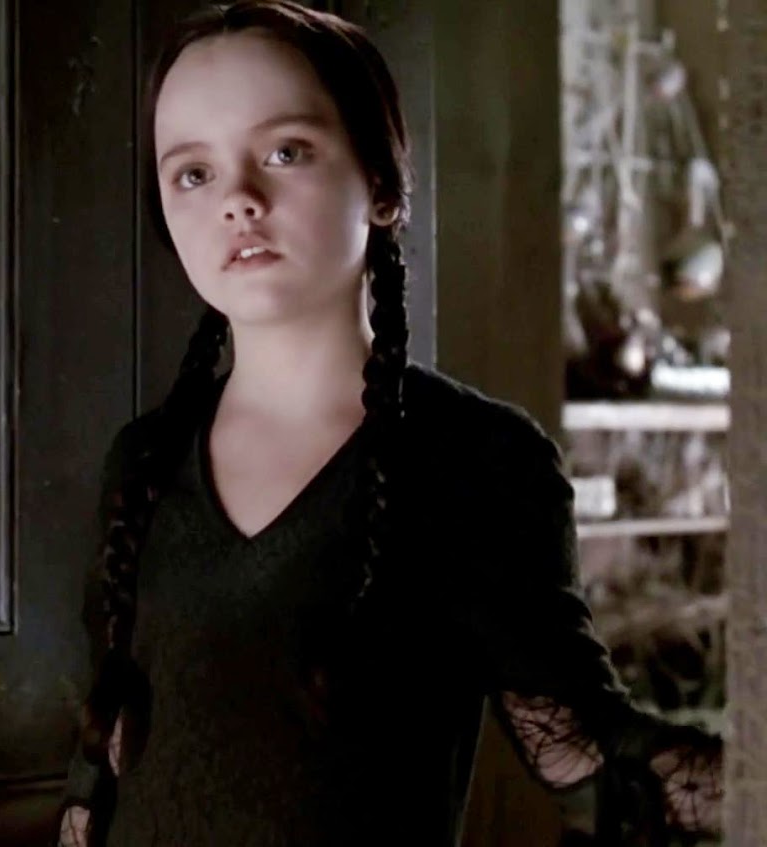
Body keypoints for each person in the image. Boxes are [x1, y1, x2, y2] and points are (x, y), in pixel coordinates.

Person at [55, 2, 724, 845]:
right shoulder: (145, 460)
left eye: (286, 152)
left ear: (379, 185)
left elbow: (586, 751)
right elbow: (100, 776)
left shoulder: (476, 459)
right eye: (194, 173)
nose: (239, 200)